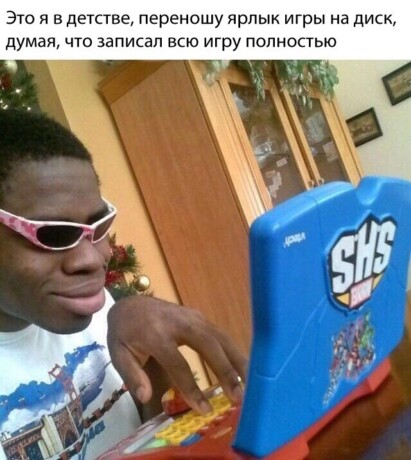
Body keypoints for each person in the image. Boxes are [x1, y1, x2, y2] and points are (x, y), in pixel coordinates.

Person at [0, 109, 247, 460]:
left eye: (99, 226)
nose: (92, 259)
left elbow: (152, 435)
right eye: (52, 234)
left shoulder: (99, 312)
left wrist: (149, 359)